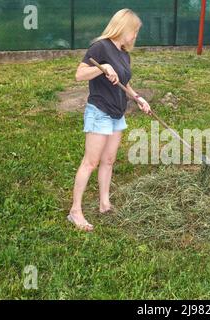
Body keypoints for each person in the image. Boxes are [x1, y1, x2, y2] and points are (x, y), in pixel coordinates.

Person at [68, 8, 151, 231]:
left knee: (109, 160)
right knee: (91, 162)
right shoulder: (100, 46)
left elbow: (125, 83)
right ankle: (75, 211)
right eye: (134, 31)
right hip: (100, 111)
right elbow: (79, 74)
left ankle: (104, 202)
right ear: (123, 27)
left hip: (117, 113)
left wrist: (138, 98)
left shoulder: (124, 53)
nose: (135, 36)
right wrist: (102, 68)